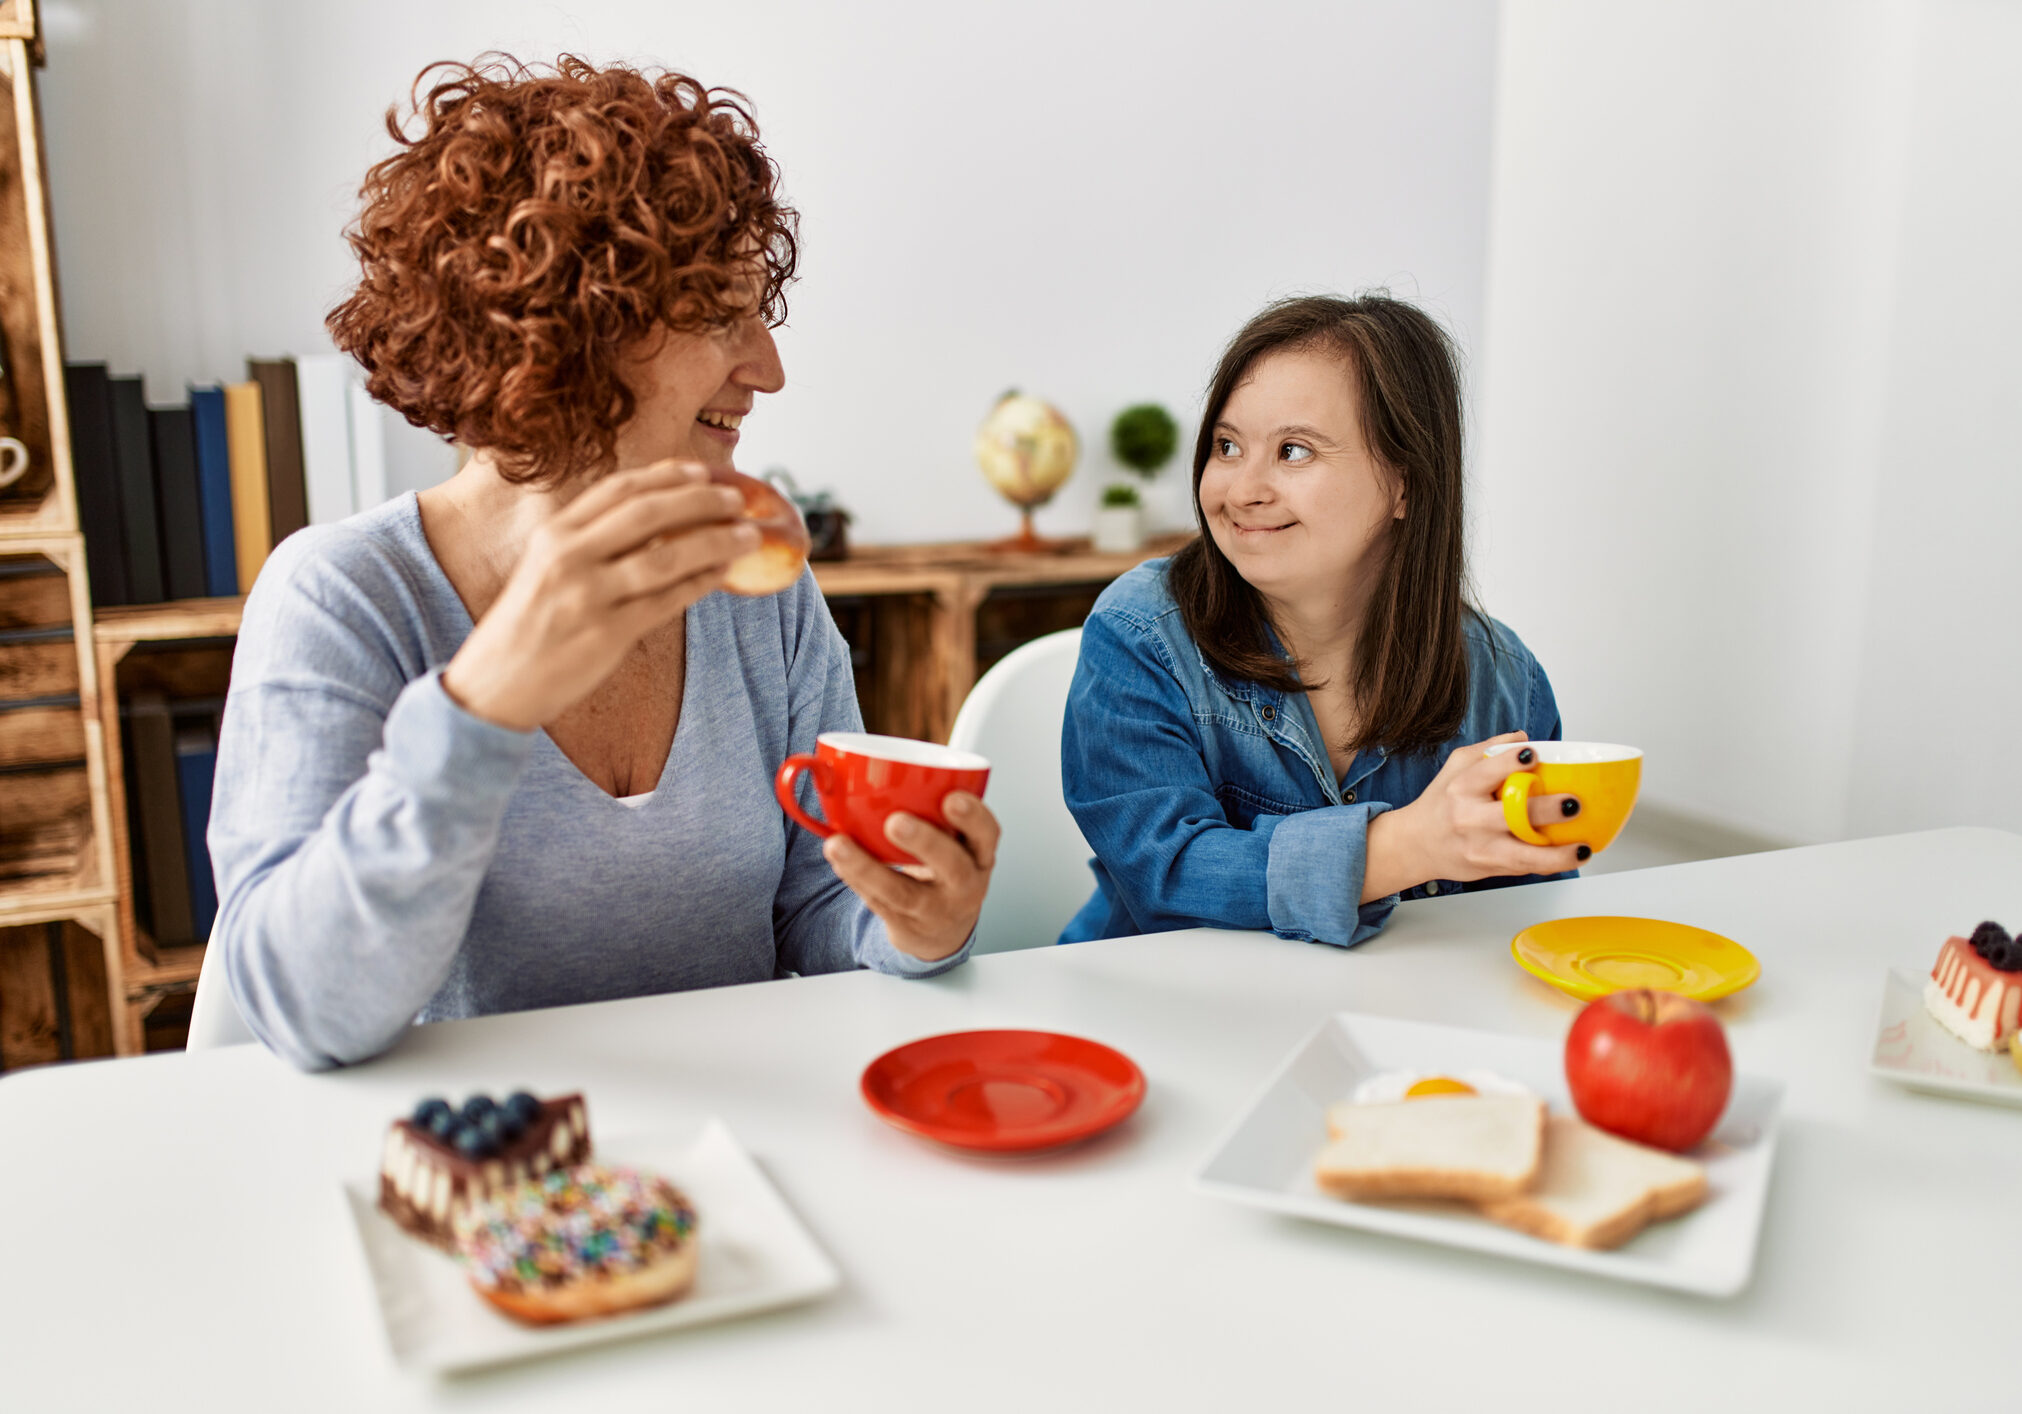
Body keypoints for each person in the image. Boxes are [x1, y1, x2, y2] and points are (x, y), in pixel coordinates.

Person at [210, 56, 997, 1070]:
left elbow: (816, 909)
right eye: (722, 316)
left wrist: (909, 925)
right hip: (480, 1174)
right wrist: (485, 701)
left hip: (746, 1148)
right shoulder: (343, 598)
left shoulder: (762, 590)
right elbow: (305, 1013)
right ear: (578, 327)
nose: (768, 368)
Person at [1060, 294, 1581, 947]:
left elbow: (1521, 922)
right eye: (1227, 446)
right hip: (1157, 1016)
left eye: (1294, 452)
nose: (1243, 489)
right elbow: (1165, 876)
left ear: (1406, 484)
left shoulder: (1505, 681)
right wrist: (1401, 847)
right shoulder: (1140, 633)